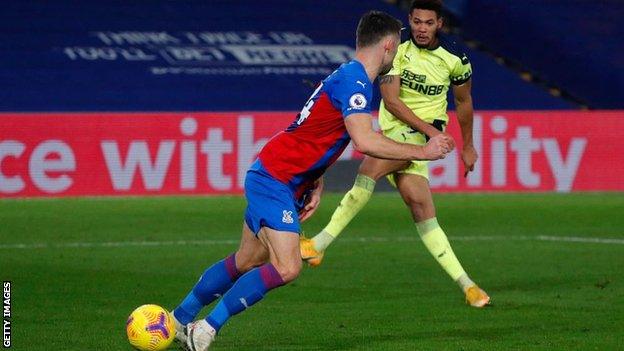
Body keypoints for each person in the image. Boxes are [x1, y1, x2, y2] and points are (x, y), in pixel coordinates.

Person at [169, 10, 454, 351]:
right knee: (287, 267)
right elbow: (365, 141)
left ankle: (177, 319)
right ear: (389, 46)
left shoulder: (348, 75)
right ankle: (204, 331)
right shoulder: (356, 81)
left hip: (280, 176)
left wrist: (314, 179)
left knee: (246, 261)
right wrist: (424, 150)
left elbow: (313, 130)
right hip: (275, 179)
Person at [300, 0, 490, 308]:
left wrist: (468, 145)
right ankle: (468, 286)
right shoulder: (397, 49)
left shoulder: (457, 59)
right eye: (416, 21)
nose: (421, 28)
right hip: (407, 134)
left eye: (428, 23)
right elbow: (392, 102)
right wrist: (431, 137)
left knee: (370, 174)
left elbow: (464, 103)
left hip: (419, 135)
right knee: (420, 209)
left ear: (439, 23)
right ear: (410, 21)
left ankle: (319, 244)